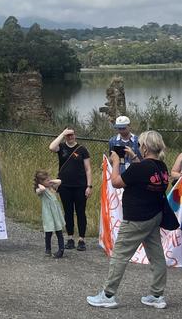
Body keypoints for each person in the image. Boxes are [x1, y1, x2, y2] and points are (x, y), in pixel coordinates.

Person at [87, 130, 170, 309]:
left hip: (136, 219)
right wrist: (134, 158)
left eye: (140, 145)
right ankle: (157, 295)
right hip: (155, 216)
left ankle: (108, 295)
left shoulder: (139, 168)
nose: (138, 148)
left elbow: (116, 182)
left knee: (120, 255)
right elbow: (146, 175)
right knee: (156, 256)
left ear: (145, 148)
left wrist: (116, 162)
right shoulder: (161, 167)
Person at [48, 127, 92, 251]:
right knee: (68, 212)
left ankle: (82, 239)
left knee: (80, 212)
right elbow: (51, 147)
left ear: (75, 135)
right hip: (64, 186)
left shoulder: (82, 150)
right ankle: (70, 238)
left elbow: (88, 169)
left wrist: (89, 186)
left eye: (72, 135)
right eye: (68, 135)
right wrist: (62, 134)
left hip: (80, 186)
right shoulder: (61, 147)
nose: (70, 137)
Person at [34, 170, 66, 258]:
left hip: (56, 213)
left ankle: (61, 250)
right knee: (48, 231)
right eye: (46, 180)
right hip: (48, 213)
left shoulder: (52, 188)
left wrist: (50, 182)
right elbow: (41, 189)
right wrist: (40, 184)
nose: (49, 181)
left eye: (49, 179)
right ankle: (48, 249)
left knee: (59, 231)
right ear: (41, 182)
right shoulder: (41, 191)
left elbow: (59, 181)